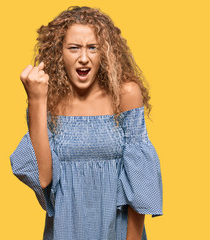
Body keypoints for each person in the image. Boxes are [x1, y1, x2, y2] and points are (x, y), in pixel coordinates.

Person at [10, 6, 163, 240]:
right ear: (59, 53)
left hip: (117, 231)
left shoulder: (126, 94)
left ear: (105, 52)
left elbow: (139, 178)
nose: (84, 58)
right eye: (74, 48)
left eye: (93, 47)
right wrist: (36, 99)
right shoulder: (45, 99)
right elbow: (42, 177)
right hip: (65, 230)